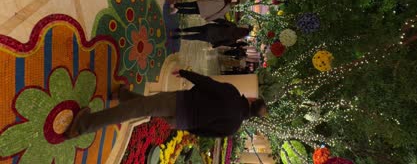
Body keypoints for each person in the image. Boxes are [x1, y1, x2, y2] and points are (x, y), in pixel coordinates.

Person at [65, 70, 267, 138]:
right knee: (145, 107)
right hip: (181, 122)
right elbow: (205, 132)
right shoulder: (233, 127)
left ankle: (82, 125)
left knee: (132, 111)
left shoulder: (232, 95)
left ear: (251, 100)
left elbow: (208, 84)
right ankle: (123, 93)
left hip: (179, 103)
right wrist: (187, 125)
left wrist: (186, 73)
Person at [172, 19, 251, 48]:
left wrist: (213, 19)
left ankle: (181, 30)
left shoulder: (233, 26)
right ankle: (180, 37)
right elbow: (222, 43)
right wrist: (214, 46)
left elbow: (222, 21)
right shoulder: (233, 40)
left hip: (210, 28)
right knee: (195, 37)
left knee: (196, 28)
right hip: (209, 37)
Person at [170, 0, 240, 22]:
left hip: (203, 3)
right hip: (205, 11)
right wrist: (208, 19)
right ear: (233, 4)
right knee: (191, 12)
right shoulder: (227, 9)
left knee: (190, 4)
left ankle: (175, 5)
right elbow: (217, 15)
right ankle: (177, 10)